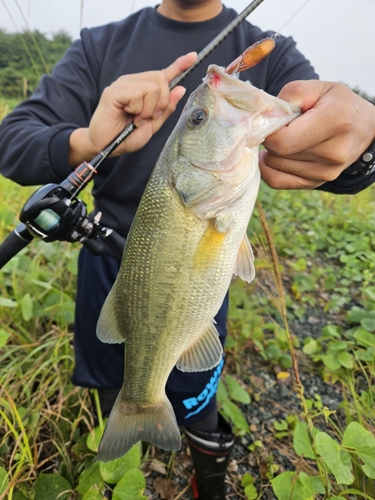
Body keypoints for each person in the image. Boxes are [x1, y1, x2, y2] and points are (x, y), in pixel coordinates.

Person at [0, 1, 374, 498]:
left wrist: (363, 140)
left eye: (195, 118)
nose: (209, 105)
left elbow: (339, 151)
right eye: (200, 117)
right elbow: (12, 140)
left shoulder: (272, 52)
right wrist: (86, 139)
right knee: (120, 379)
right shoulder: (99, 45)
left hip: (197, 281)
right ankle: (125, 455)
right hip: (105, 264)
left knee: (197, 396)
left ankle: (207, 478)